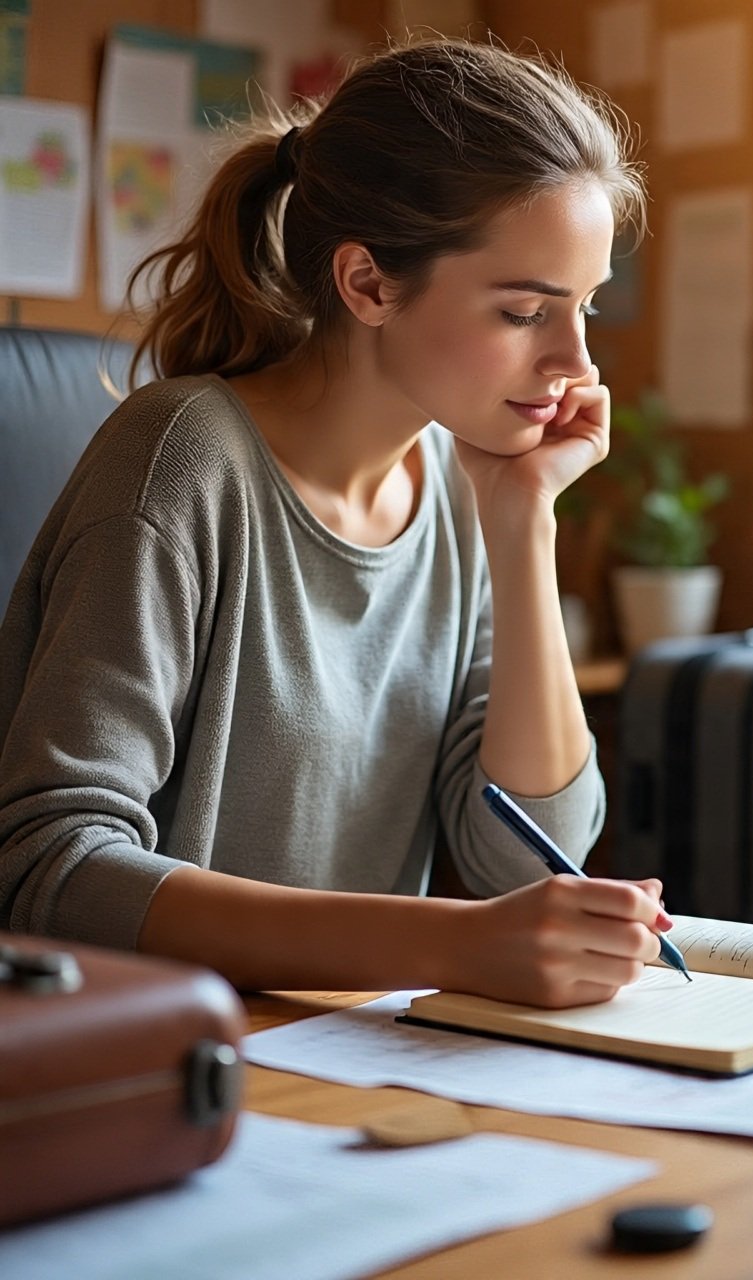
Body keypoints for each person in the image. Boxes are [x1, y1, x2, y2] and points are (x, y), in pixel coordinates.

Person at [0, 37, 670, 1008]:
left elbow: (525, 863)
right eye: (525, 312)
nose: (574, 361)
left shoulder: (458, 479)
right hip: (164, 1065)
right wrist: (445, 945)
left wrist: (523, 524)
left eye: (585, 309)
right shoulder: (181, 459)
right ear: (366, 285)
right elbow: (52, 869)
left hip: (343, 1061)